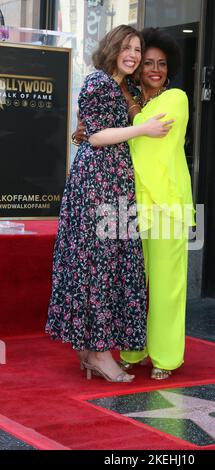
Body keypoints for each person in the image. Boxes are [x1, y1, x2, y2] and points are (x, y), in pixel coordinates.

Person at [45, 25, 174, 383]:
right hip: (97, 183)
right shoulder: (98, 82)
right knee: (98, 263)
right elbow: (99, 136)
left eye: (138, 49)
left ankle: (89, 350)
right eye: (128, 48)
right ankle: (99, 354)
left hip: (115, 182)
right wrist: (143, 129)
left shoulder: (123, 86)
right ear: (113, 48)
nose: (133, 54)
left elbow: (94, 124)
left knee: (106, 263)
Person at [119, 27, 195, 380]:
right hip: (131, 204)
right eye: (147, 62)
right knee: (133, 283)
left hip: (168, 206)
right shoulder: (130, 99)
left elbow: (148, 137)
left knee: (166, 284)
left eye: (161, 63)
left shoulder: (176, 98)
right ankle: (133, 350)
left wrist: (127, 103)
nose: (154, 69)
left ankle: (165, 356)